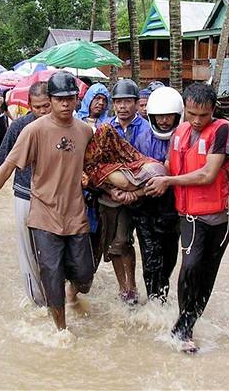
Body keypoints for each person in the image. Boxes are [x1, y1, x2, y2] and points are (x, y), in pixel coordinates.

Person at [0, 72, 95, 331]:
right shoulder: (33, 130)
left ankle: (73, 294)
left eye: (70, 98)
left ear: (76, 100)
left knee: (84, 275)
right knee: (51, 276)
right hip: (44, 215)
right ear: (50, 100)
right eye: (59, 99)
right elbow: (6, 166)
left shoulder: (85, 131)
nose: (64, 104)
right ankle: (62, 331)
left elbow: (96, 168)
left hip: (75, 215)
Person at [145, 83, 229, 353]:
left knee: (206, 274)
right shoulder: (181, 131)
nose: (197, 121)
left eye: (204, 115)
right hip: (189, 215)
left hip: (220, 218)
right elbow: (170, 164)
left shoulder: (222, 131)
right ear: (184, 109)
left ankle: (186, 323)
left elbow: (207, 175)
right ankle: (184, 327)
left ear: (213, 111)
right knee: (189, 267)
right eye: (192, 114)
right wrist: (146, 173)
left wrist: (168, 181)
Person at [0, 81, 51, 307]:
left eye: (47, 106)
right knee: (29, 254)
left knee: (52, 254)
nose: (42, 112)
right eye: (38, 107)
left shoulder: (65, 126)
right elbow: (1, 161)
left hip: (53, 198)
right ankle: (38, 303)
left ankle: (57, 296)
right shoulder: (19, 126)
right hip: (24, 195)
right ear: (29, 105)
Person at [98, 78, 153, 304]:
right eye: (118, 101)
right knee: (114, 243)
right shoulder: (106, 128)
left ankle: (132, 285)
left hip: (141, 196)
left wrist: (135, 192)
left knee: (129, 243)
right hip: (111, 196)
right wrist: (110, 190)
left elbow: (152, 165)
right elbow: (96, 163)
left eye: (127, 101)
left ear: (136, 102)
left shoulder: (147, 129)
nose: (122, 106)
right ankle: (126, 288)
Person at [128, 86, 183, 304]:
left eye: (168, 116)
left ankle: (162, 296)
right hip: (146, 208)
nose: (164, 121)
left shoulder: (184, 137)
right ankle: (154, 303)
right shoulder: (141, 137)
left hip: (173, 209)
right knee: (150, 259)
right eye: (159, 116)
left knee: (169, 259)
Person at [77, 82, 111, 268]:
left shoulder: (108, 125)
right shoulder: (75, 122)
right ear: (88, 99)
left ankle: (88, 271)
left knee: (96, 231)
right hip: (77, 184)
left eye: (104, 100)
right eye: (96, 98)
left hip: (99, 186)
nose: (100, 103)